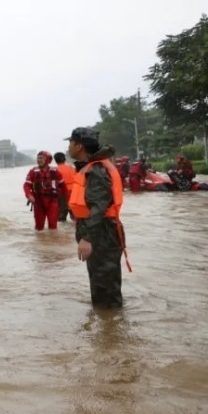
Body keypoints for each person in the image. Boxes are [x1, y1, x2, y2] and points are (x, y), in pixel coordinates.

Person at [67, 127, 128, 309]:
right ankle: (108, 327)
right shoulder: (91, 167)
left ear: (79, 146)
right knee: (102, 284)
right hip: (102, 232)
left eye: (70, 143)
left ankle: (111, 330)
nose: (68, 147)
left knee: (105, 288)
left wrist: (87, 238)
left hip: (102, 233)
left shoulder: (96, 170)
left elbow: (99, 207)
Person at [23, 150, 66, 230]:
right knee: (39, 228)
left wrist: (67, 200)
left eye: (42, 158)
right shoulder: (33, 172)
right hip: (38, 202)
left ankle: (52, 241)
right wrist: (29, 195)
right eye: (38, 158)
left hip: (52, 201)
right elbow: (26, 185)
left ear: (48, 160)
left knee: (53, 227)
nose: (39, 160)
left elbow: (63, 186)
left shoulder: (55, 172)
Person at [53, 152, 76, 223]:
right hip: (74, 192)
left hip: (62, 193)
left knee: (61, 217)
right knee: (75, 216)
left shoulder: (55, 170)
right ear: (65, 159)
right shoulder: (72, 167)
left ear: (55, 160)